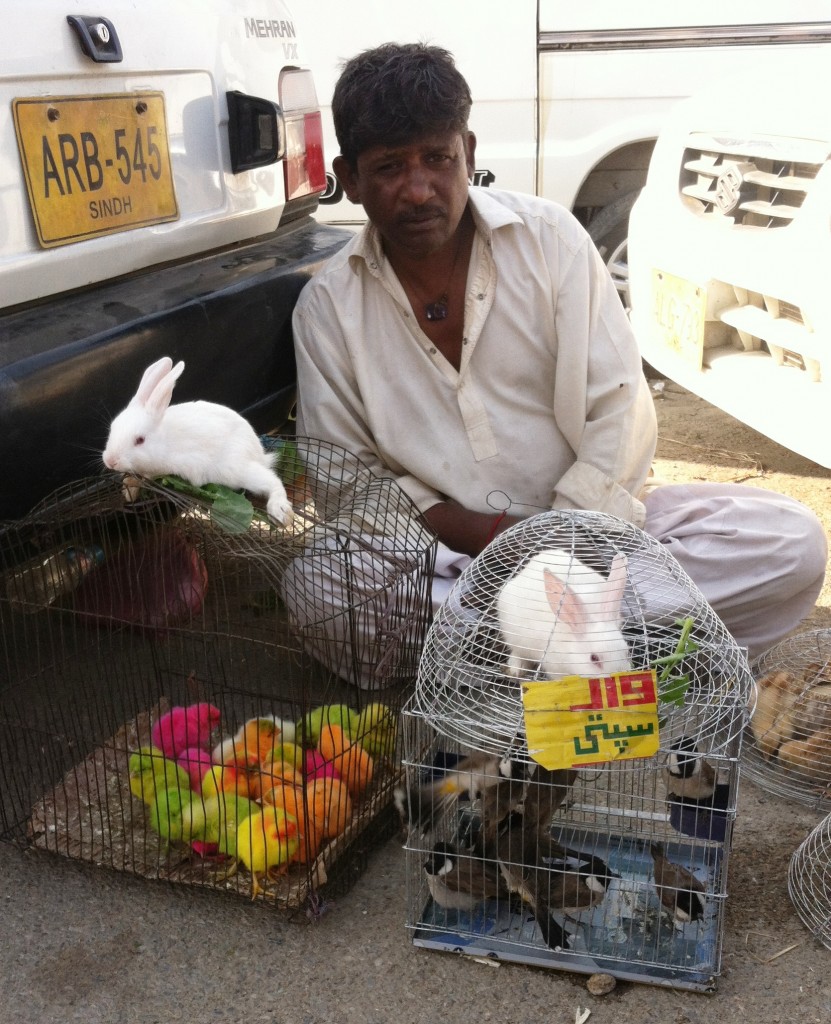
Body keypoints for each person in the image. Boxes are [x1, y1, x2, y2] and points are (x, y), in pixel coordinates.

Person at [291, 41, 827, 670]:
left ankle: (525, 653)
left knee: (790, 542)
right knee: (317, 587)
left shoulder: (552, 242)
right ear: (349, 178)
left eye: (436, 159)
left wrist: (561, 548)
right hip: (445, 562)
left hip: (593, 542)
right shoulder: (327, 309)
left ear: (467, 154)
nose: (417, 190)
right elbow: (347, 485)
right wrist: (494, 542)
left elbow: (619, 415)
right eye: (387, 168)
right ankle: (589, 648)